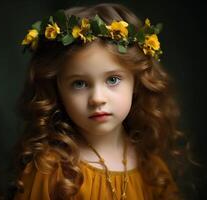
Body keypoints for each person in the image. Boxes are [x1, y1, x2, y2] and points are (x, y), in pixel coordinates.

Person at [10, 3, 191, 200]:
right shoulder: (51, 170)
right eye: (79, 83)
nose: (97, 98)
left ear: (137, 82)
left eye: (112, 79)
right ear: (57, 90)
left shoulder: (152, 169)